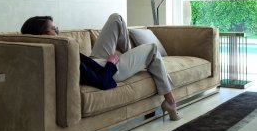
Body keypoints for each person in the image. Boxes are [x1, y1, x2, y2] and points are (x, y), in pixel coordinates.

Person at [21, 13, 181, 121]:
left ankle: (138, 58)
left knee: (116, 18)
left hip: (96, 62)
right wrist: (111, 64)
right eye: (54, 29)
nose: (58, 31)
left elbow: (86, 66)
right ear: (45, 35)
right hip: (111, 71)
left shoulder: (57, 49)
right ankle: (170, 100)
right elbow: (104, 82)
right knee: (152, 48)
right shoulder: (62, 52)